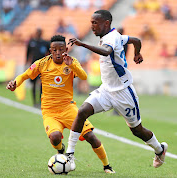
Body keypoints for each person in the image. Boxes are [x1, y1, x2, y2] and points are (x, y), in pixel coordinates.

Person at [66, 10, 168, 171]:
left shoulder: (112, 38)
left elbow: (107, 51)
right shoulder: (116, 35)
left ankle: (160, 150)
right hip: (106, 90)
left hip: (123, 92)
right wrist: (137, 52)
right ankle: (69, 155)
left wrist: (83, 44)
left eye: (95, 22)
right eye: (91, 22)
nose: (92, 26)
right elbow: (135, 40)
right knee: (82, 112)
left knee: (137, 131)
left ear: (106, 23)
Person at [6, 35, 115, 174]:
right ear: (50, 50)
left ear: (66, 49)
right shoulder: (42, 63)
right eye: (54, 50)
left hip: (68, 109)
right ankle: (61, 151)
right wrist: (15, 83)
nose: (58, 53)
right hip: (50, 111)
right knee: (55, 137)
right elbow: (25, 75)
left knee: (90, 137)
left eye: (61, 49)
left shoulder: (71, 62)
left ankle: (106, 166)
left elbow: (84, 77)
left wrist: (73, 65)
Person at [26, 28, 50, 107]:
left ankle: (40, 101)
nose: (38, 34)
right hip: (33, 66)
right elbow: (28, 54)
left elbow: (49, 53)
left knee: (41, 84)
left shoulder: (45, 43)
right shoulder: (32, 42)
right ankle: (34, 102)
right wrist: (27, 64)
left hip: (42, 66)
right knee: (33, 84)